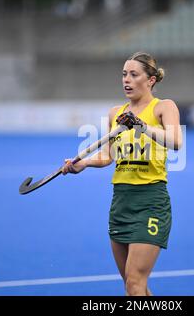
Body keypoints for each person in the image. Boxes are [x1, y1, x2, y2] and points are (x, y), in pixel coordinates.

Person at [62, 52, 182, 296]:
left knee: (134, 283)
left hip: (150, 202)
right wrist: (83, 163)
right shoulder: (115, 113)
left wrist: (141, 126)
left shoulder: (163, 107)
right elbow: (108, 156)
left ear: (150, 80)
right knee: (133, 284)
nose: (126, 79)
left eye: (134, 74)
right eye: (124, 74)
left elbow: (176, 142)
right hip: (121, 202)